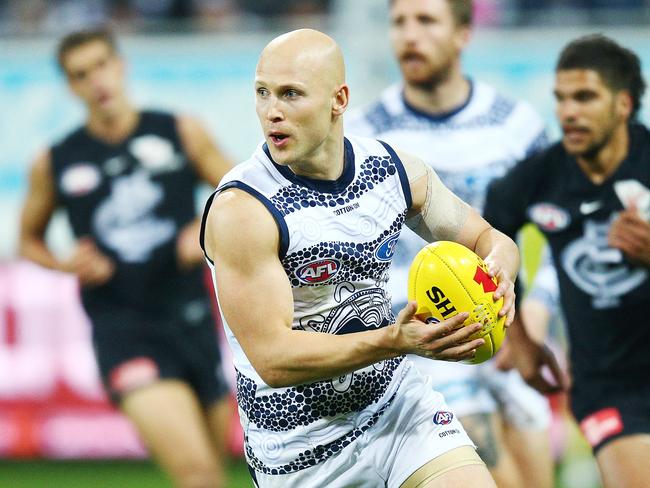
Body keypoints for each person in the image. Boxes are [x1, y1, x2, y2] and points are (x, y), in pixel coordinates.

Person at [200, 28, 520, 488]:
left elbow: (490, 239)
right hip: (298, 451)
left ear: (339, 99)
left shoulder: (394, 171)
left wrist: (499, 270)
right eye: (263, 92)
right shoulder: (243, 210)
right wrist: (396, 340)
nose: (272, 111)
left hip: (398, 411)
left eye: (291, 94)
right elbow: (273, 357)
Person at [345, 1, 555, 486]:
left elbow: (561, 233)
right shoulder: (363, 133)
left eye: (426, 21)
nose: (408, 35)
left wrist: (534, 319)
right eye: (399, 22)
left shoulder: (515, 126)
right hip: (426, 339)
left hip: (508, 325)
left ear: (463, 34)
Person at [19, 29, 233, 488]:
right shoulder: (56, 160)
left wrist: (203, 229)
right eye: (81, 74)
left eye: (101, 65)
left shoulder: (179, 130)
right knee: (199, 476)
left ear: (121, 65)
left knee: (214, 473)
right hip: (124, 330)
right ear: (71, 87)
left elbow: (243, 195)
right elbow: (28, 241)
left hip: (192, 319)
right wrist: (64, 264)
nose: (97, 81)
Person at [485, 34, 650, 488]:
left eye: (584, 97)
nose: (567, 112)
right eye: (560, 98)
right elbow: (489, 233)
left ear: (623, 103)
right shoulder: (541, 177)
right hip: (607, 385)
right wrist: (517, 340)